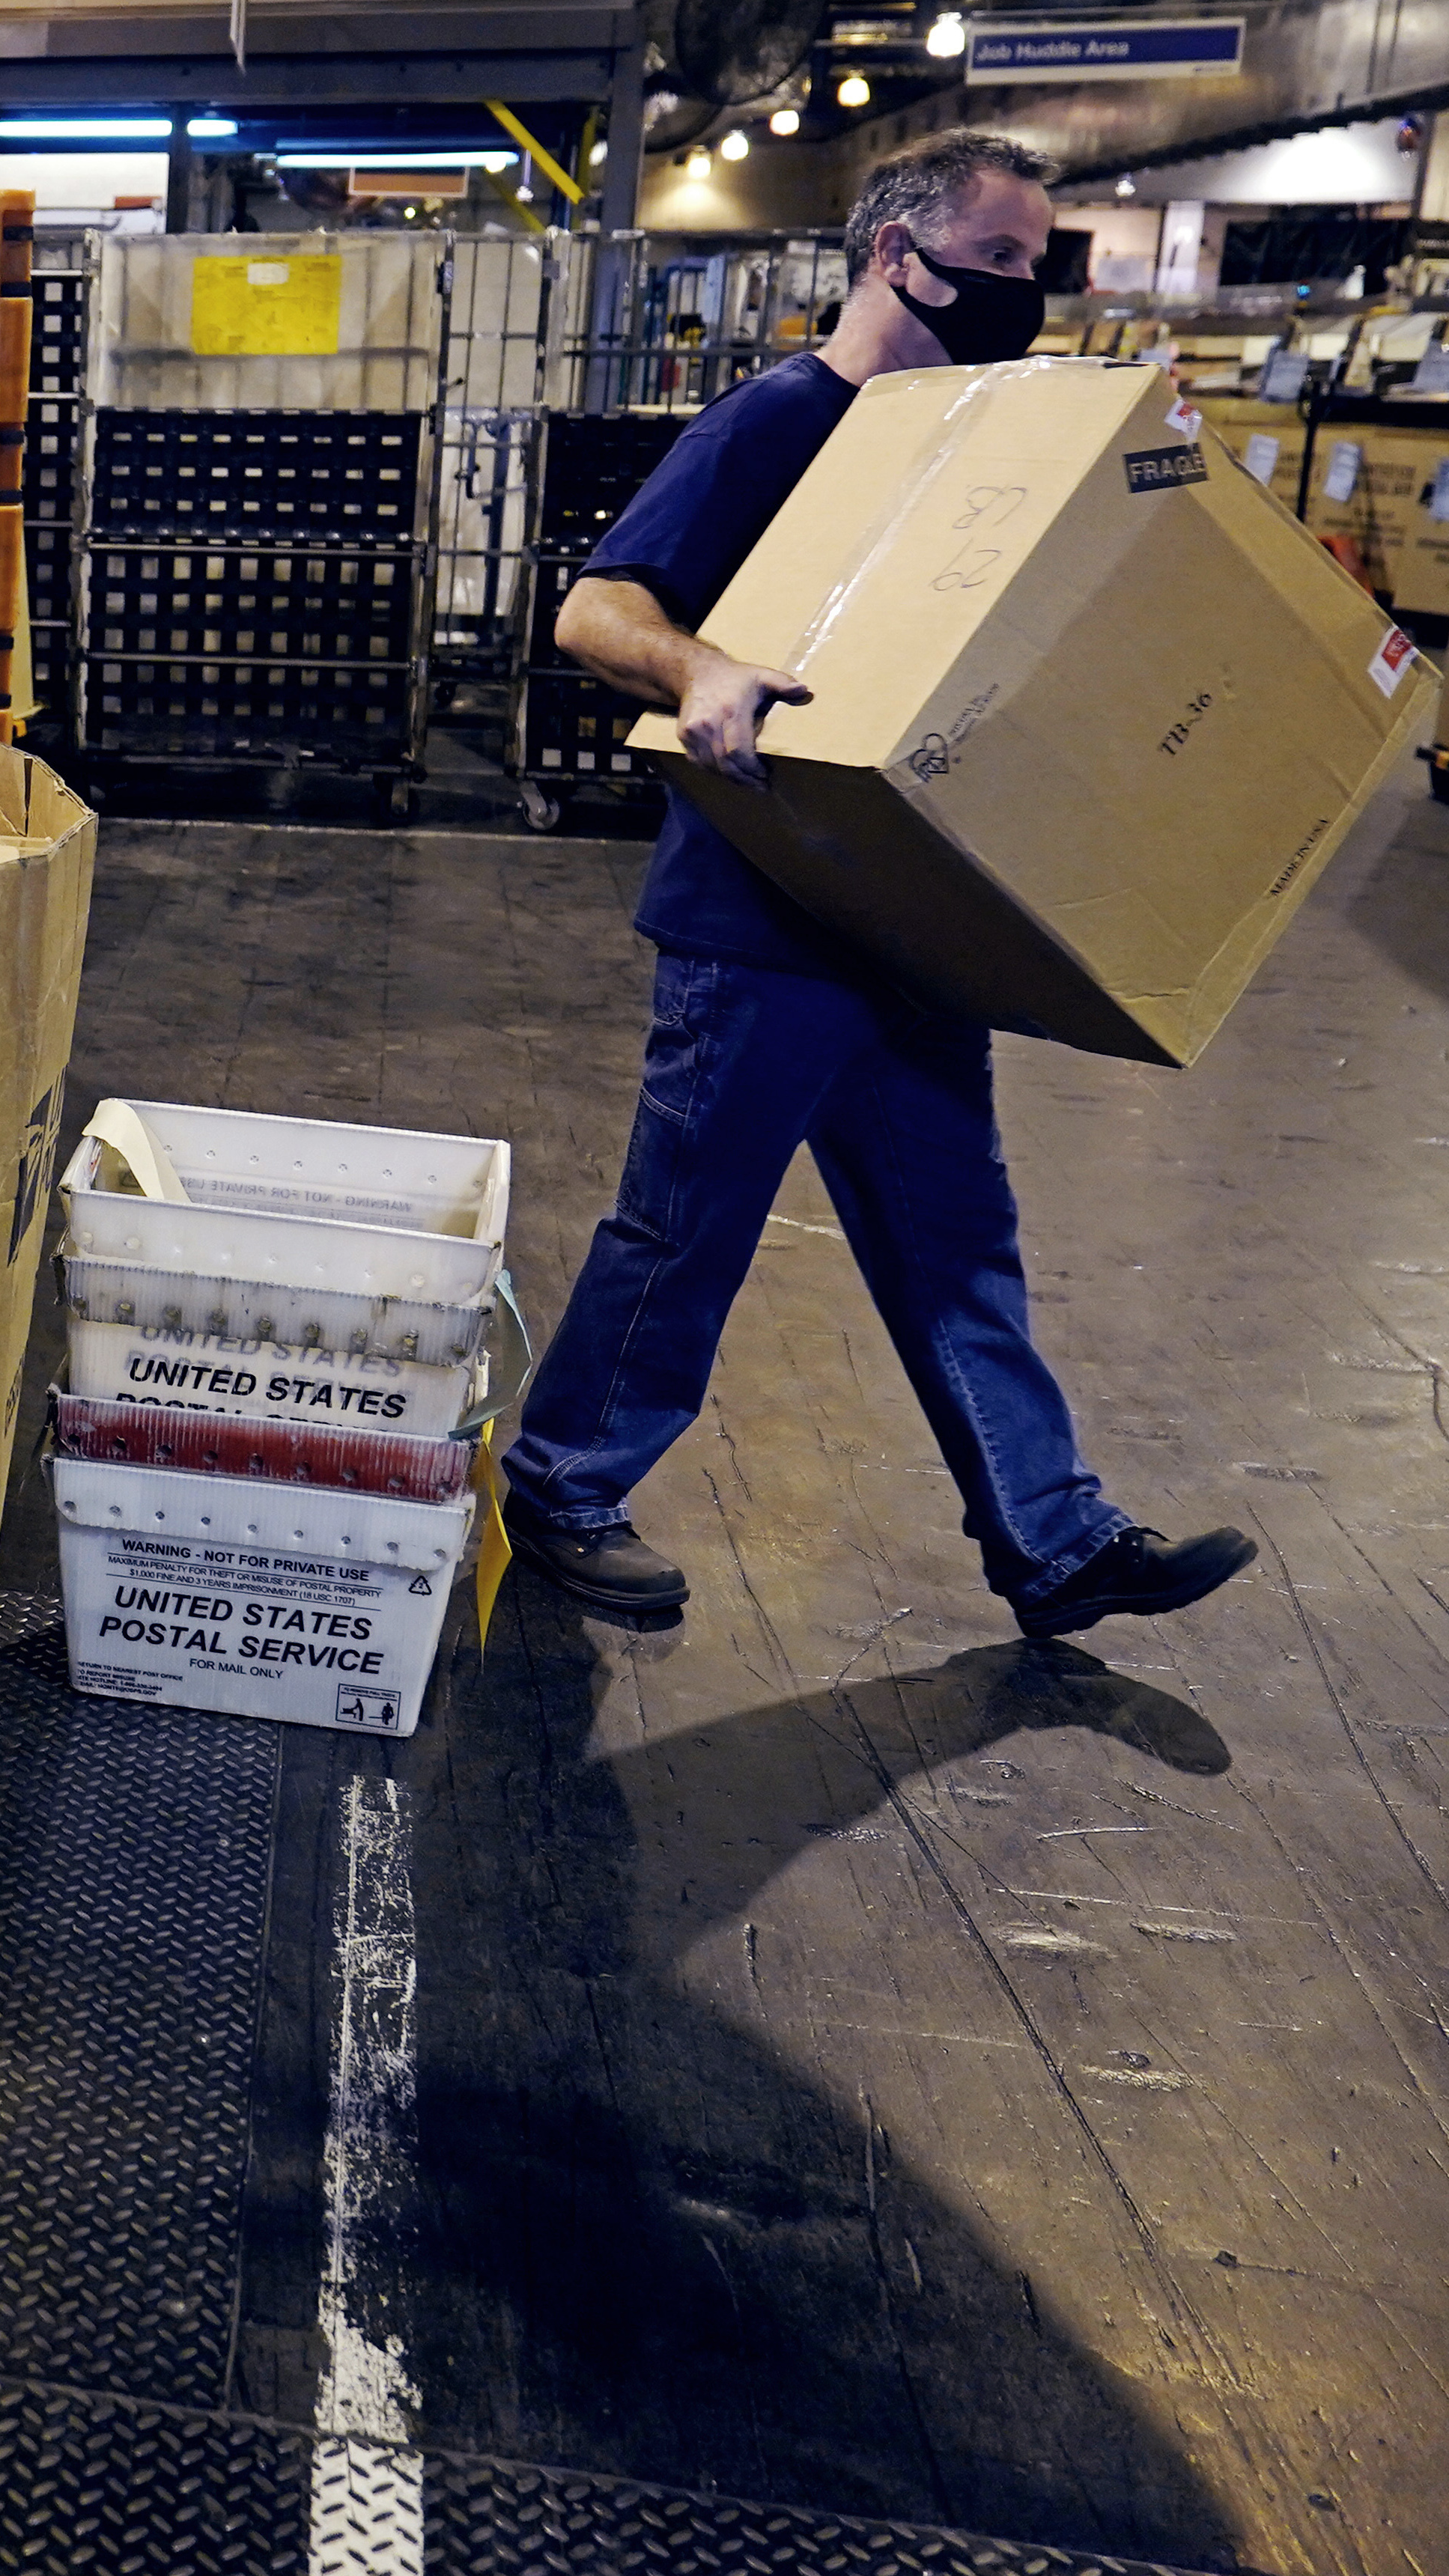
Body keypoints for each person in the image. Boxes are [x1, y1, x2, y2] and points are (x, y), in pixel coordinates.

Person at [497, 130, 1254, 1640]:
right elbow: (595, 607)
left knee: (951, 1231)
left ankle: (1049, 1538)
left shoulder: (972, 441)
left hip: (909, 921)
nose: (1017, 296)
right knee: (685, 1224)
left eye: (1038, 271)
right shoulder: (776, 420)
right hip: (760, 919)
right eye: (992, 265)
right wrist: (696, 661)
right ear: (891, 255)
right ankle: (563, 1483)